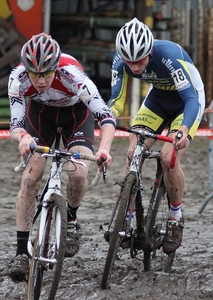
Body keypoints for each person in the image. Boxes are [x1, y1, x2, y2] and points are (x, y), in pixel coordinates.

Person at [8, 32, 116, 281]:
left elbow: (106, 117)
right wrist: (23, 137)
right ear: (26, 70)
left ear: (56, 68)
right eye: (35, 74)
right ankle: (21, 252)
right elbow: (16, 125)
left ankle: (72, 218)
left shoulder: (72, 75)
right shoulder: (18, 78)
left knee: (78, 173)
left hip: (76, 115)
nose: (41, 80)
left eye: (46, 73)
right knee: (30, 179)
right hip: (40, 116)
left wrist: (104, 149)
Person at [108, 18, 205, 254]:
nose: (136, 68)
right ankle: (126, 215)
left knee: (168, 157)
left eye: (140, 61)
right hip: (158, 99)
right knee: (133, 152)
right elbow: (116, 100)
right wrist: (108, 114)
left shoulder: (168, 57)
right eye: (130, 63)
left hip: (188, 102)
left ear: (149, 51)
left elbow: (191, 99)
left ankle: (175, 217)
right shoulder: (120, 60)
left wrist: (182, 130)